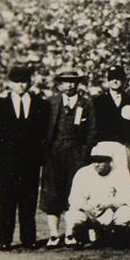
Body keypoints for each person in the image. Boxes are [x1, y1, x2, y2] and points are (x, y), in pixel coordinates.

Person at [0, 63, 49, 250]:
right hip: (7, 158)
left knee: (29, 197)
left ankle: (29, 238)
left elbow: (45, 130)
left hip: (31, 158)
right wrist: (5, 144)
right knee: (7, 198)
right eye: (17, 81)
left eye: (24, 81)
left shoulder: (40, 104)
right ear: (10, 83)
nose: (21, 85)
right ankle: (5, 239)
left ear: (29, 83)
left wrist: (36, 148)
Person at [39, 67, 95, 246]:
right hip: (54, 154)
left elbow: (92, 130)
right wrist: (45, 152)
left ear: (78, 84)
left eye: (73, 81)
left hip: (76, 153)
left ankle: (71, 232)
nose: (69, 85)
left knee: (75, 192)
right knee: (53, 192)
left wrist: (85, 153)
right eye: (65, 81)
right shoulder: (51, 103)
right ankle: (54, 234)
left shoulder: (86, 103)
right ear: (60, 84)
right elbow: (42, 131)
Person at [65, 148, 130, 244]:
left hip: (111, 209)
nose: (96, 164)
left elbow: (126, 197)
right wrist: (86, 208)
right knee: (72, 216)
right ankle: (83, 233)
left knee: (126, 213)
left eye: (100, 161)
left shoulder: (120, 172)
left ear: (109, 161)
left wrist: (109, 204)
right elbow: (74, 198)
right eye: (94, 161)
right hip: (89, 211)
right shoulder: (83, 173)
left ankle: (116, 234)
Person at [92, 64, 130, 173]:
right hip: (104, 146)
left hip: (124, 146)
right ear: (108, 80)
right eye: (112, 78)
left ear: (123, 80)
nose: (115, 81)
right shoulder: (98, 101)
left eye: (118, 78)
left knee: (124, 176)